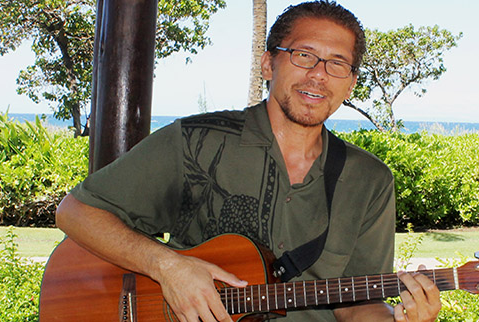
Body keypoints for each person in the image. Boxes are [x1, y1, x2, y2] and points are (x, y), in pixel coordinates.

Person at [55, 1, 441, 321]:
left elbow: (359, 306)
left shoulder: (369, 179)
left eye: (337, 63)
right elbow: (75, 212)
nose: (319, 75)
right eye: (304, 55)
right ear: (269, 64)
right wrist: (167, 267)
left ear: (350, 82)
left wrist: (400, 319)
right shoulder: (195, 141)